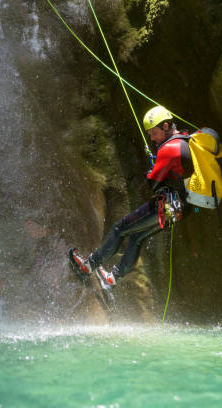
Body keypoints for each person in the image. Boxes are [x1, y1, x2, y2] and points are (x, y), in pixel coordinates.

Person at [69, 105, 194, 290]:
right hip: (180, 208)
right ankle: (112, 278)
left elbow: (154, 181)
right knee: (137, 237)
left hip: (164, 205)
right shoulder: (184, 139)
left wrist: (154, 167)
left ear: (166, 126)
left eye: (154, 133)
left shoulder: (169, 149)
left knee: (120, 228)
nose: (151, 138)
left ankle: (89, 266)